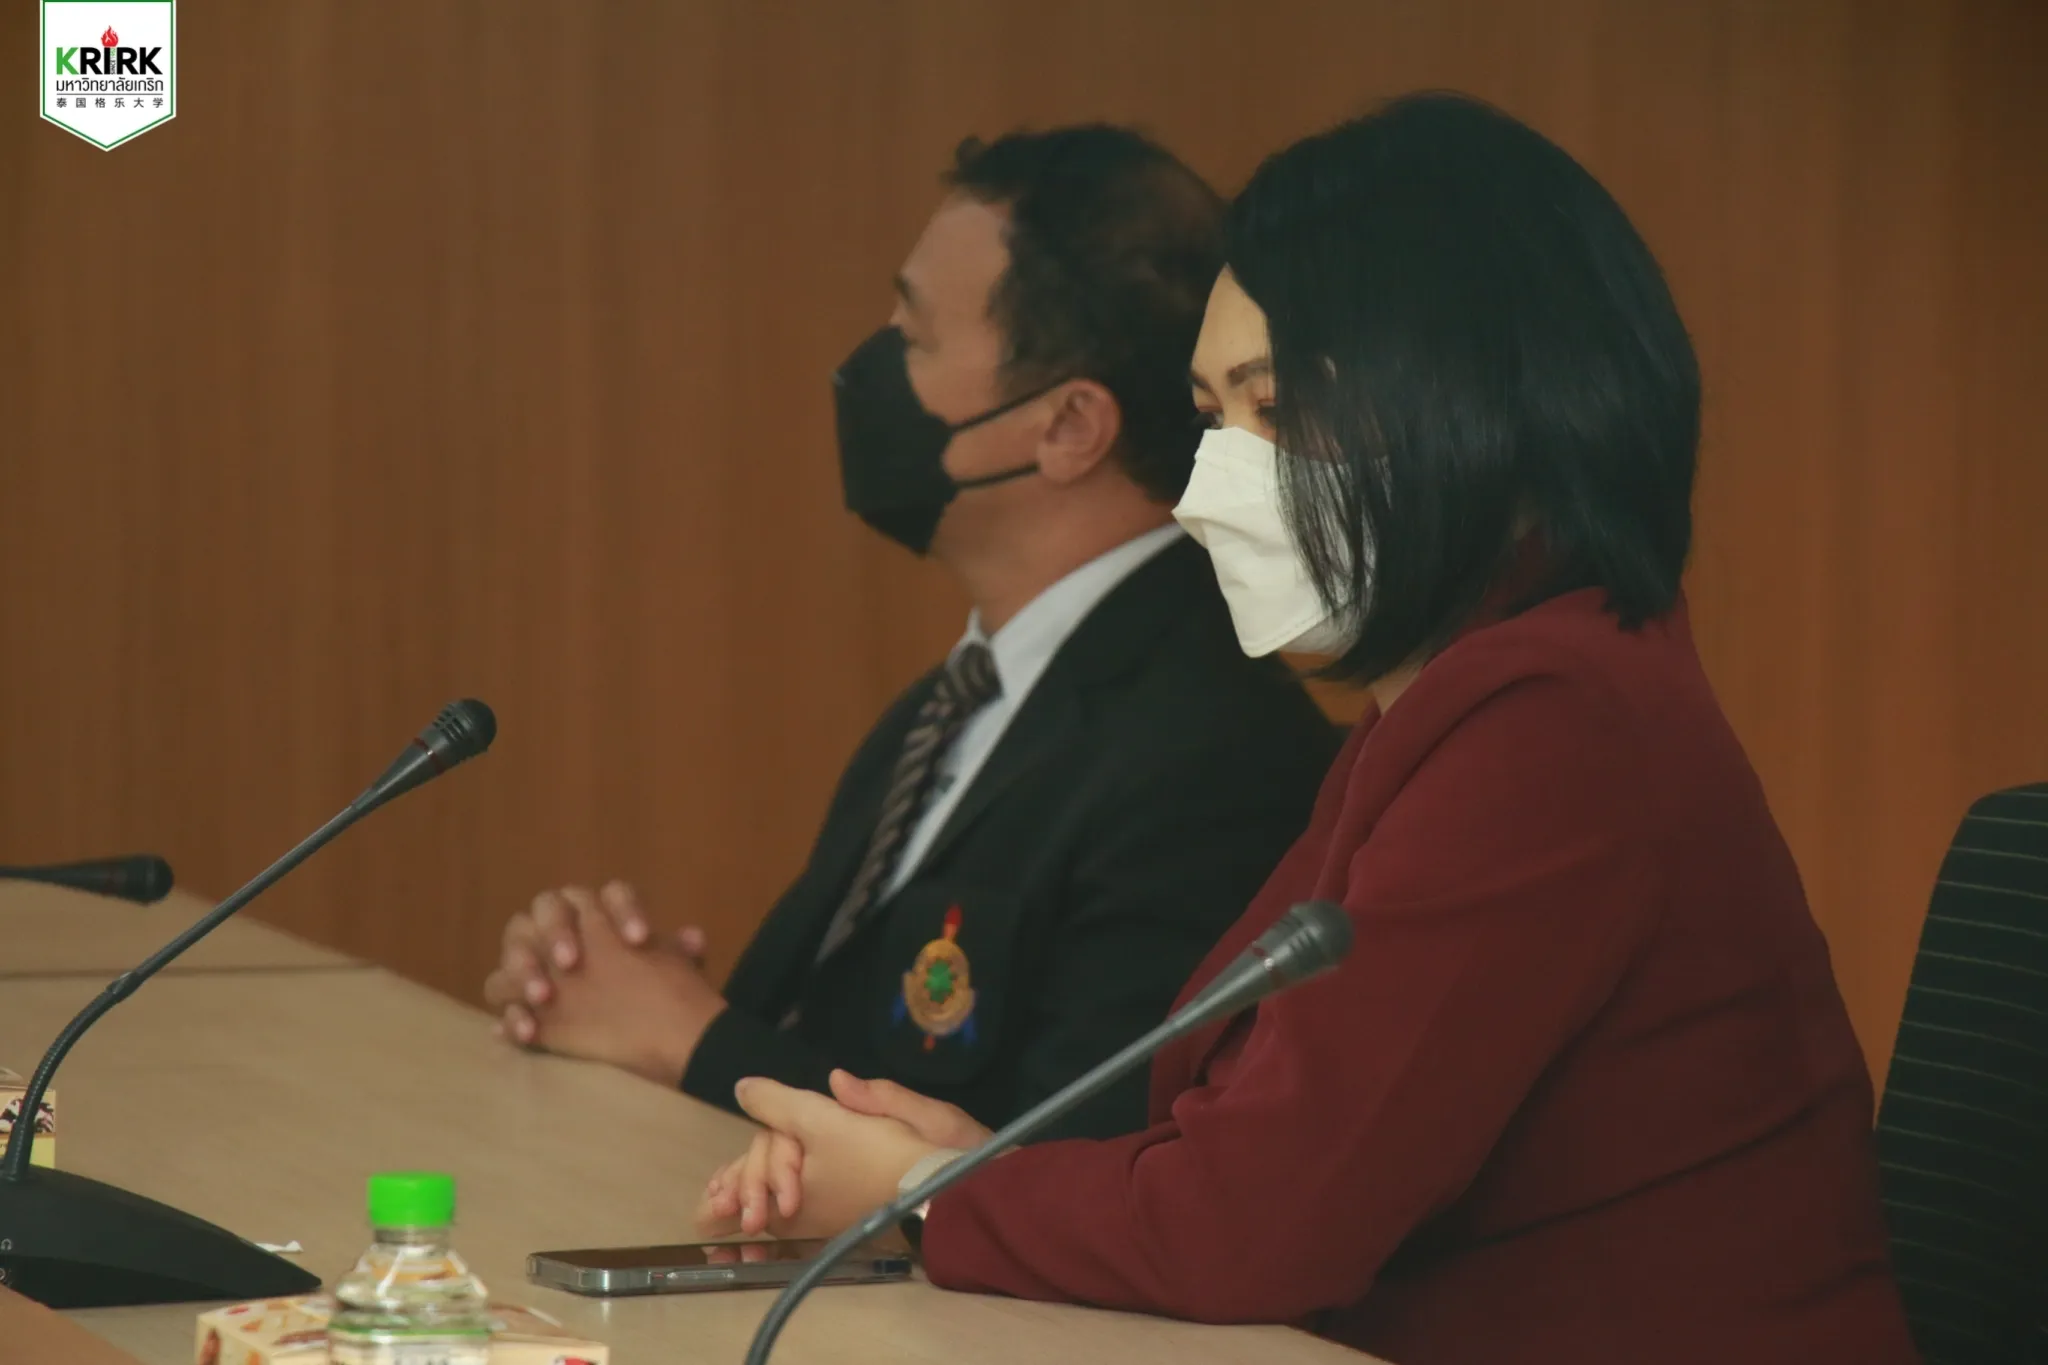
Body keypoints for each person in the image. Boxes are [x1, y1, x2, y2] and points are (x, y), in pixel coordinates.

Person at [694, 94, 1920, 1364]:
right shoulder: (1448, 709)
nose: (1210, 488)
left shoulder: (1555, 729)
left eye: (1272, 408)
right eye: (1210, 418)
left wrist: (920, 1196)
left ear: (1468, 401)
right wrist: (981, 1174)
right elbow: (1258, 1154)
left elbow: (1248, 1229)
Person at [482, 125, 1338, 1143]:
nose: (870, 367)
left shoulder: (1212, 753)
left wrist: (688, 1038)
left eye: (916, 337)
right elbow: (847, 1041)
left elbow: (1064, 1162)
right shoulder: (956, 701)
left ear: (1068, 426)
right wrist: (618, 993)